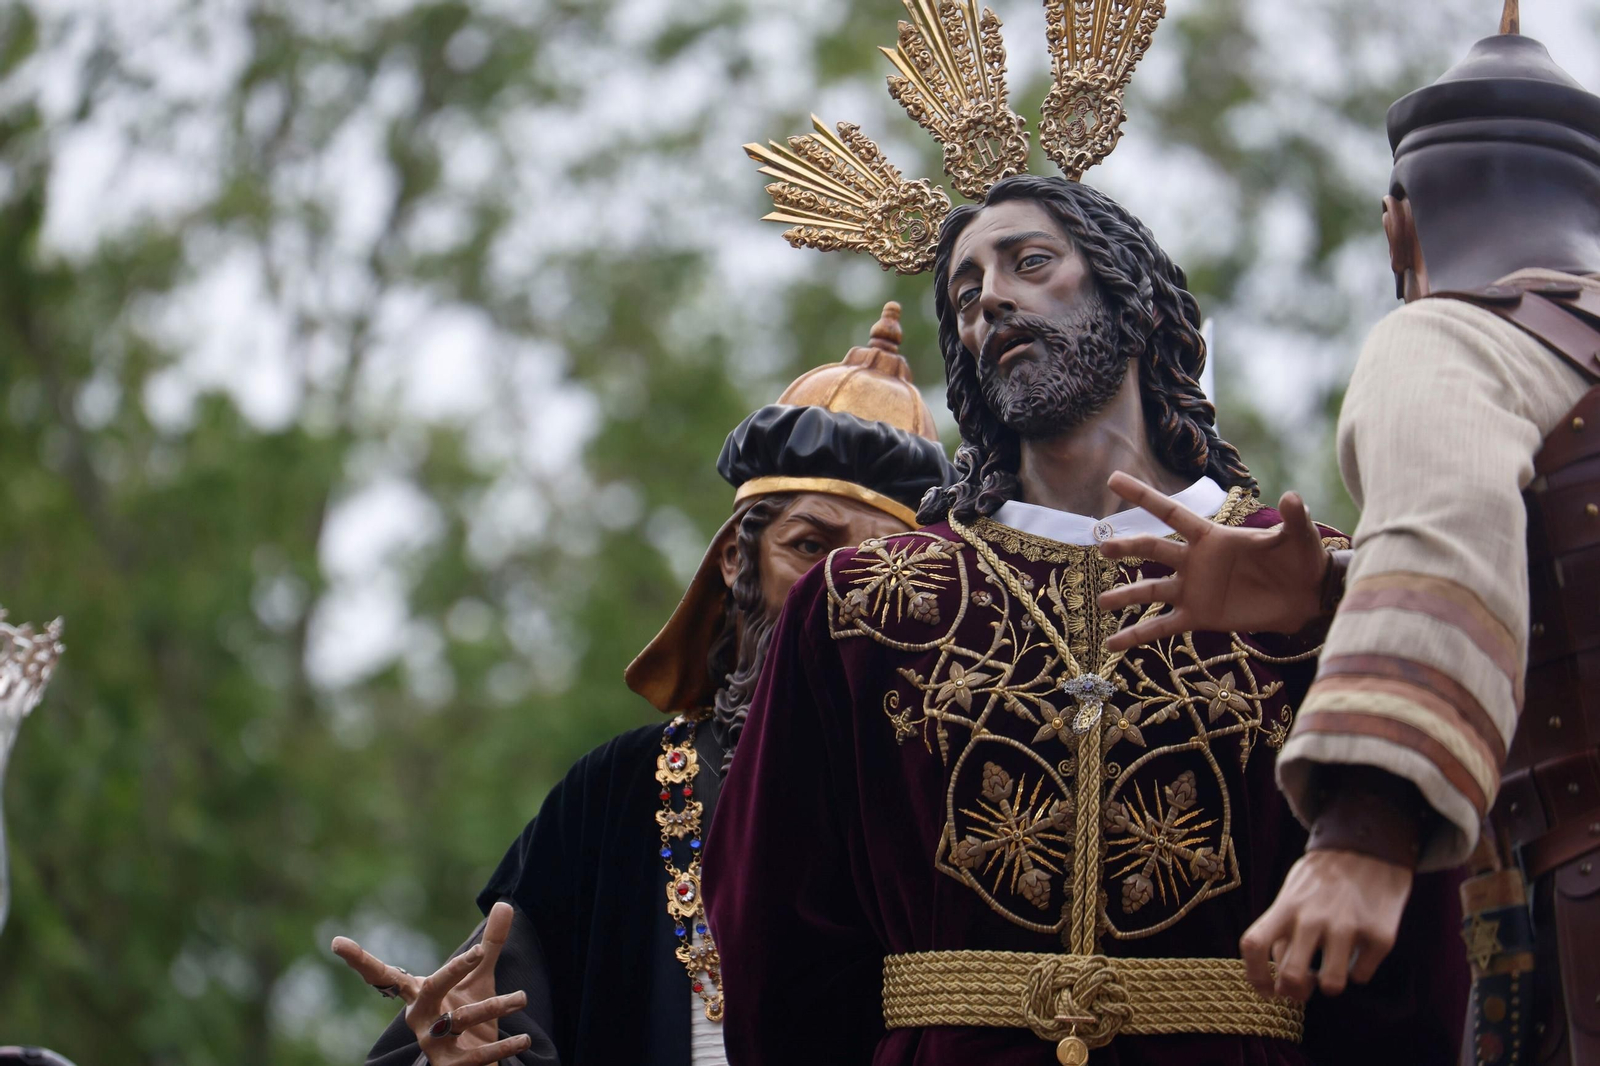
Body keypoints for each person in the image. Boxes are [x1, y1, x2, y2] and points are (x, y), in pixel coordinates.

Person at [1095, 5, 1600, 1063]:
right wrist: (1334, 586)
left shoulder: (1450, 339)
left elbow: (1446, 531)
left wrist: (1366, 826)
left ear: (1399, 226)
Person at [332, 303, 954, 1066]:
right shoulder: (619, 796)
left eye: (876, 566)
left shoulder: (959, 803)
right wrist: (452, 1056)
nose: (836, 593)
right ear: (735, 561)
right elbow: (484, 1025)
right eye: (809, 547)